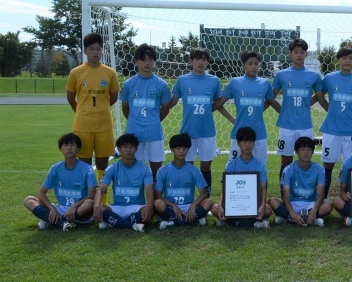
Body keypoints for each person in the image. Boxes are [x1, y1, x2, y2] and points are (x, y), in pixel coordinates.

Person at [167, 47, 231, 196]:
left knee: (206, 166)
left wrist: (233, 119)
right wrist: (159, 113)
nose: (200, 62)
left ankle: (205, 201)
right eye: (197, 59)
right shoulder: (182, 80)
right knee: (187, 166)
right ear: (191, 61)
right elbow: (173, 101)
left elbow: (218, 103)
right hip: (187, 132)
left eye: (204, 59)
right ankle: (188, 198)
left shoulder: (214, 81)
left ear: (208, 62)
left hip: (207, 131)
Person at [65, 33, 119, 201]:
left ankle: (102, 201)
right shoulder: (76, 72)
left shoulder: (110, 73)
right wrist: (83, 111)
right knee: (85, 164)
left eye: (99, 49)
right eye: (91, 49)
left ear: (102, 51)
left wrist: (100, 109)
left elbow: (114, 97)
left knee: (103, 163)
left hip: (104, 125)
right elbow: (70, 97)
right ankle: (86, 201)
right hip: (83, 125)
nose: (95, 52)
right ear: (85, 51)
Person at [316, 46, 352, 199]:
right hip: (331, 130)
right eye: (345, 58)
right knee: (328, 165)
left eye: (351, 58)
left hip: (349, 131)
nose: (348, 61)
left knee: (350, 166)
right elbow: (320, 95)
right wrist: (329, 109)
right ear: (338, 59)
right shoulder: (330, 78)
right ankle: (324, 199)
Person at [214, 51, 281, 165]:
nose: (253, 67)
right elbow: (219, 104)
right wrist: (232, 120)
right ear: (243, 65)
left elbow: (272, 102)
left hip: (259, 133)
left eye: (256, 63)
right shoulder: (234, 82)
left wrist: (286, 114)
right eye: (250, 63)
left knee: (260, 169)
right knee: (234, 168)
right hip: (239, 133)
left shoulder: (264, 83)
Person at [271, 38, 323, 183]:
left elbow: (319, 97)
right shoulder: (282, 75)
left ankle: (303, 190)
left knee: (305, 160)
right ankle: (284, 191)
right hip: (286, 126)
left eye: (302, 52)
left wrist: (306, 104)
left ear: (306, 54)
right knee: (286, 161)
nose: (299, 55)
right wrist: (282, 111)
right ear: (290, 54)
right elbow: (271, 97)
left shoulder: (314, 76)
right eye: (296, 52)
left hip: (305, 125)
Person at [23, 133, 97, 231]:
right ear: (61, 149)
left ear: (78, 149)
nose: (69, 148)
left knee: (89, 203)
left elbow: (92, 194)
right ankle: (63, 223)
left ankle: (52, 221)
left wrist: (74, 206)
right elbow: (41, 193)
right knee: (29, 200)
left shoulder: (87, 169)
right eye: (66, 145)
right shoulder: (55, 168)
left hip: (79, 209)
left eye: (72, 145)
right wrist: (52, 209)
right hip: (61, 208)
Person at [120, 44, 172, 181]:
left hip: (154, 134)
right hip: (133, 134)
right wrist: (134, 120)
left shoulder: (162, 85)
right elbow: (125, 108)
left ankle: (155, 199)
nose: (147, 63)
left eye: (150, 60)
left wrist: (154, 120)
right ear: (136, 61)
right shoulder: (128, 84)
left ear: (154, 61)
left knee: (156, 173)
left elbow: (166, 108)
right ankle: (136, 200)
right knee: (133, 171)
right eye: (143, 59)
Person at [212, 126, 272, 229]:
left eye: (250, 142)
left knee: (268, 209)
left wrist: (262, 205)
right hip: (234, 203)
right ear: (238, 143)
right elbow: (224, 188)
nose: (247, 145)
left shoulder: (260, 165)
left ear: (254, 143)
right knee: (214, 208)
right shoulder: (231, 165)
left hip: (252, 203)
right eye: (244, 142)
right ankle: (254, 223)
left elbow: (262, 188)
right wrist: (221, 205)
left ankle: (231, 221)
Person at [93, 133, 153, 232]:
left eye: (131, 147)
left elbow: (149, 190)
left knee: (150, 209)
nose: (128, 150)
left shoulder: (145, 169)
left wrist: (149, 207)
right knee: (102, 209)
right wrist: (96, 207)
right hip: (117, 207)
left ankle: (113, 222)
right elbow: (101, 189)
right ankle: (132, 225)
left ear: (136, 148)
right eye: (125, 147)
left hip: (137, 207)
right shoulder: (112, 168)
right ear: (119, 149)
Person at [267, 136, 333, 227]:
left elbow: (321, 194)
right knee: (272, 201)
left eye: (309, 149)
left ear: (313, 152)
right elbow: (286, 196)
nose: (306, 153)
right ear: (296, 151)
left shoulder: (319, 169)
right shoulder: (288, 169)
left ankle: (292, 218)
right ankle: (300, 218)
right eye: (302, 149)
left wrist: (314, 210)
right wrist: (292, 213)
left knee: (328, 205)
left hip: (311, 203)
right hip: (293, 203)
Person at [153, 133, 213, 229]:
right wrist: (173, 205)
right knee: (157, 204)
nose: (181, 151)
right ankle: (194, 220)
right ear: (172, 150)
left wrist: (193, 205)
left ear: (188, 149)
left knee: (209, 202)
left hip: (189, 205)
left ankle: (174, 223)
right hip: (171, 207)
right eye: (178, 148)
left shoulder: (194, 170)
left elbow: (204, 194)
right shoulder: (163, 170)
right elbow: (158, 195)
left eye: (184, 148)